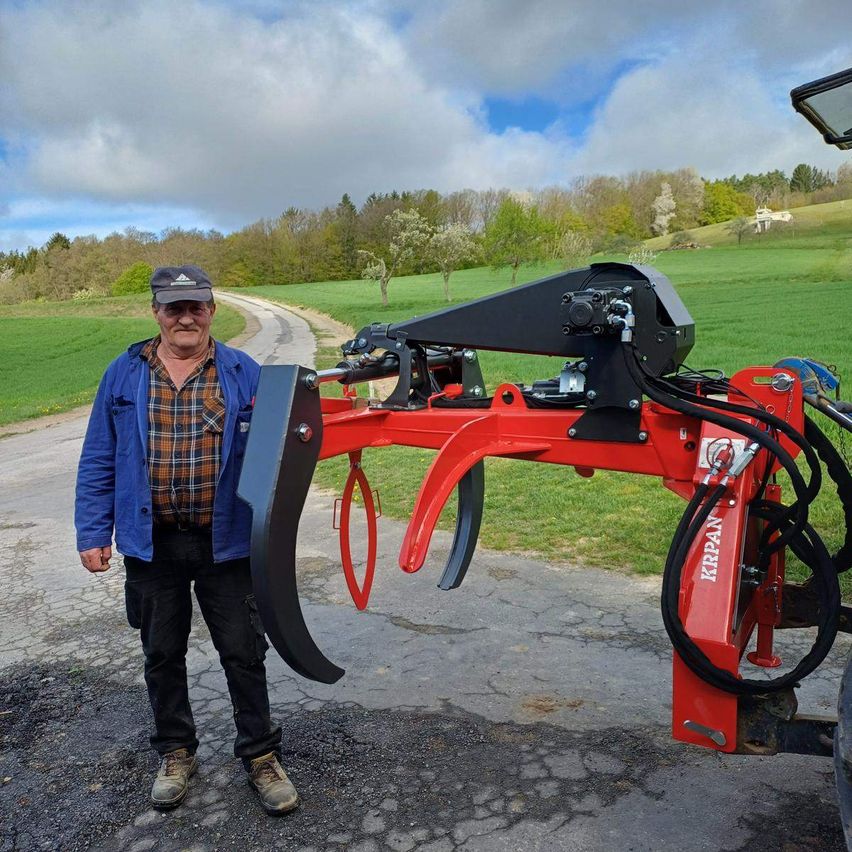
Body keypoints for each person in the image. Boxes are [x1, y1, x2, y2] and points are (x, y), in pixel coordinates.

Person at [75, 265, 298, 815]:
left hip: (226, 543)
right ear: (156, 312)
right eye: (174, 307)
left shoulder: (243, 371)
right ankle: (176, 752)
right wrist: (92, 530)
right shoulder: (123, 374)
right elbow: (99, 457)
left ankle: (260, 756)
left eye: (195, 306)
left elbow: (277, 459)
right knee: (161, 654)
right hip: (151, 543)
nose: (185, 317)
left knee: (244, 652)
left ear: (211, 311)